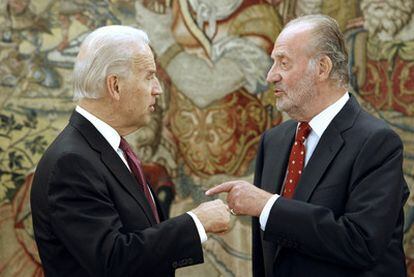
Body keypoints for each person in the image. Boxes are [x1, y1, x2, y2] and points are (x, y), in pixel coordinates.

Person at [207, 14, 409, 276]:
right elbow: (267, 255)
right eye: (272, 63)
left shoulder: (377, 143)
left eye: (283, 62)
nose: (271, 76)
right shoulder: (274, 141)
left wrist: (268, 206)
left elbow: (361, 242)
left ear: (322, 68)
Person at [30, 25, 230, 277]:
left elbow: (139, 233)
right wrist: (197, 222)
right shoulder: (72, 163)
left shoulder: (105, 149)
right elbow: (113, 260)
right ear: (115, 86)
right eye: (149, 76)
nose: (157, 88)